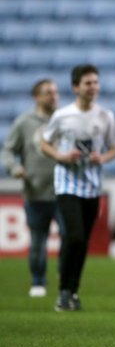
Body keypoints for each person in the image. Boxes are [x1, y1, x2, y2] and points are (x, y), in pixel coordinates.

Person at [41, 65, 115, 311]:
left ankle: (72, 291)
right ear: (76, 87)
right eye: (87, 83)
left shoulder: (105, 116)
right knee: (74, 236)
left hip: (92, 186)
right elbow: (45, 143)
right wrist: (61, 156)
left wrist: (102, 158)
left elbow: (114, 148)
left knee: (82, 241)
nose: (93, 87)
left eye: (95, 82)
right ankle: (63, 291)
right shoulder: (63, 115)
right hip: (67, 184)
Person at [2, 79, 61, 298]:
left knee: (70, 237)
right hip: (36, 191)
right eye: (48, 92)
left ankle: (66, 284)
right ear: (36, 96)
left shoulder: (64, 119)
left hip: (65, 191)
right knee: (38, 240)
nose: (53, 96)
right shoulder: (24, 122)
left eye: (55, 92)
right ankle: (38, 282)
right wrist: (15, 168)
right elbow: (8, 151)